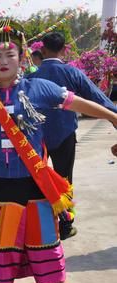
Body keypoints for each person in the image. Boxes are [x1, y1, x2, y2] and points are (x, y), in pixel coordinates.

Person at [0, 19, 117, 283]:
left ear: (22, 58)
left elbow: (78, 103)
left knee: (46, 235)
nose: (3, 61)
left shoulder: (40, 88)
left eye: (10, 55)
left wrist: (111, 115)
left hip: (31, 179)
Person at [28, 32, 117, 240]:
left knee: (35, 178)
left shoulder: (31, 76)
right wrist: (114, 115)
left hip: (36, 138)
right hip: (64, 134)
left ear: (42, 51)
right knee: (65, 179)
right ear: (64, 49)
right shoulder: (72, 73)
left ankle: (36, 226)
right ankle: (66, 226)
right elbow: (95, 97)